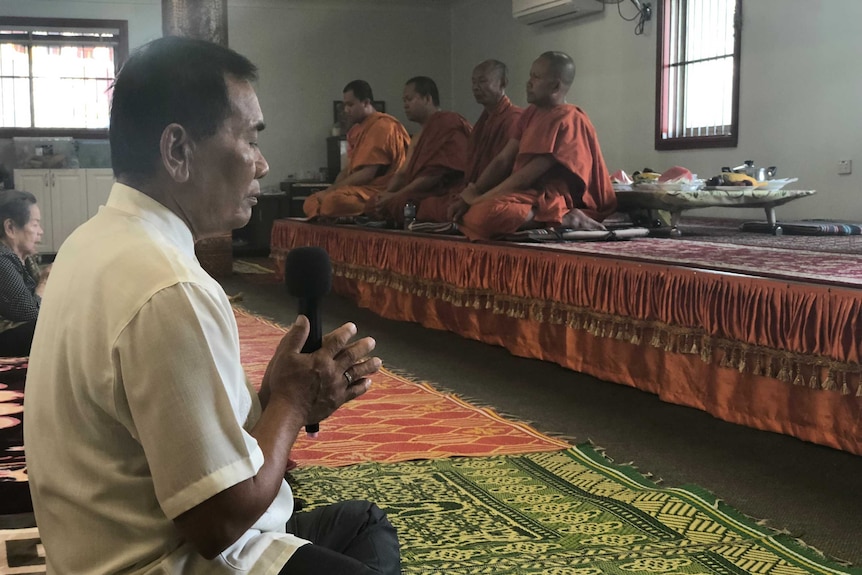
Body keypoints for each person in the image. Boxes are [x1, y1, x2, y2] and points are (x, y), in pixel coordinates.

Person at [24, 36, 400, 575]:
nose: (263, 164)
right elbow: (217, 523)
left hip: (97, 546)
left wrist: (271, 394)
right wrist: (291, 407)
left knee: (362, 524)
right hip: (170, 561)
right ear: (177, 150)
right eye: (250, 138)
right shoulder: (168, 288)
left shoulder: (90, 242)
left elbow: (165, 431)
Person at [454, 51, 617, 241]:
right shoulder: (530, 114)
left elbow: (526, 176)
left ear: (555, 85)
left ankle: (567, 218)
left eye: (536, 77)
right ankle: (548, 217)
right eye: (530, 75)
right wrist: (473, 192)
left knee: (484, 215)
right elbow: (503, 160)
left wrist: (477, 199)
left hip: (559, 198)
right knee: (472, 214)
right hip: (531, 196)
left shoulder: (569, 119)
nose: (529, 82)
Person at [417, 59, 523, 224]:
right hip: (474, 189)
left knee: (482, 214)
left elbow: (505, 166)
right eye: (473, 82)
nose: (475, 87)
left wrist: (475, 194)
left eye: (482, 81)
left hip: (496, 190)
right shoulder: (484, 121)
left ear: (503, 83)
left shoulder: (514, 119)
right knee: (426, 205)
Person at [370, 76, 471, 226]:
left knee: (403, 203)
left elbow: (435, 175)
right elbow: (403, 173)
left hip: (444, 190)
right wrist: (386, 194)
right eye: (404, 100)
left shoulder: (446, 123)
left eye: (409, 99)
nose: (405, 105)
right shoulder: (417, 137)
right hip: (419, 191)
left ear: (427, 98)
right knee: (372, 203)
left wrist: (395, 196)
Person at [302, 80, 409, 219]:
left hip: (378, 192)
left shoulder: (383, 126)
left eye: (350, 105)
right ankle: (328, 211)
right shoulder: (357, 131)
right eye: (345, 105)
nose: (346, 110)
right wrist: (329, 190)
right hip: (358, 189)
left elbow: (367, 174)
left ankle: (332, 212)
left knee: (333, 202)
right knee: (311, 200)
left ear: (365, 102)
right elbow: (348, 170)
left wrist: (331, 192)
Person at [0, 189, 49, 357]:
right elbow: (31, 313)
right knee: (48, 327)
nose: (40, 231)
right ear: (10, 228)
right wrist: (45, 281)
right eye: (35, 224)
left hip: (16, 332)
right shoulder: (2, 260)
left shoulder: (24, 258)